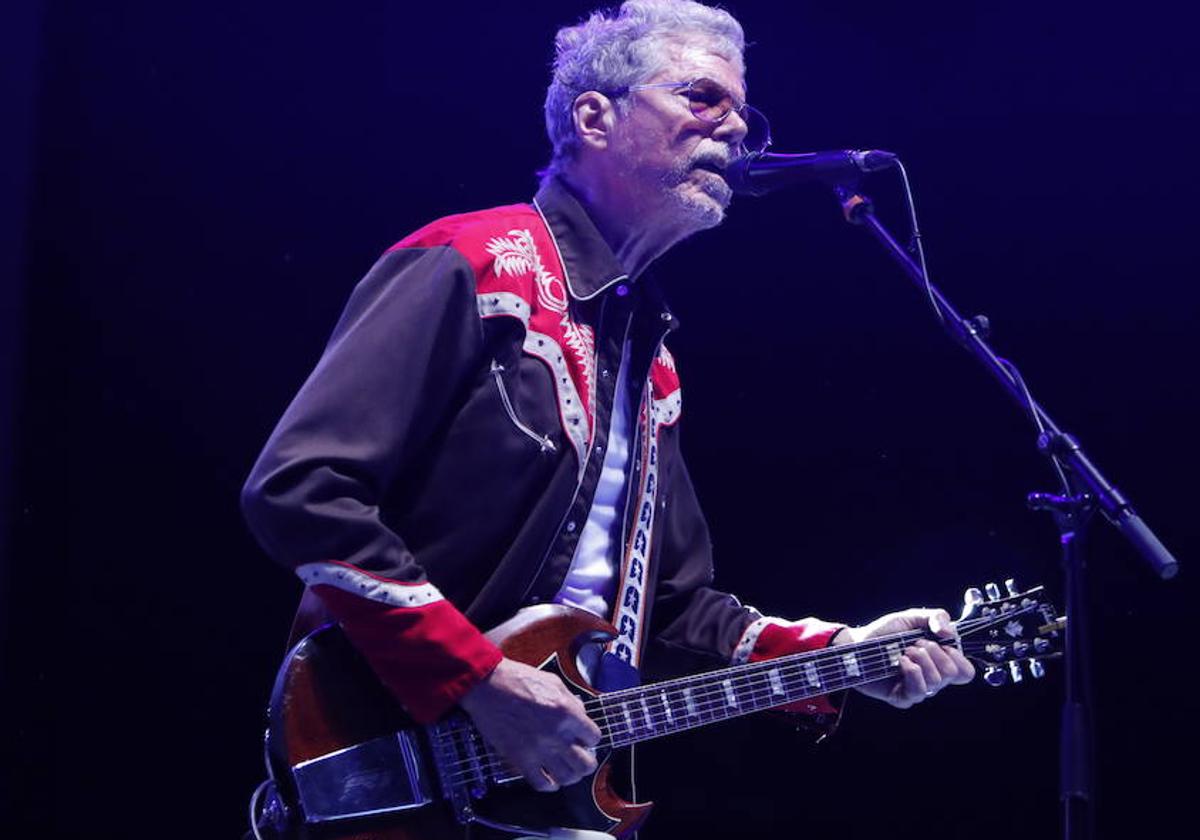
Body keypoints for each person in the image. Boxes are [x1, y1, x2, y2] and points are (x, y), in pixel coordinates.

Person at [241, 0, 974, 806]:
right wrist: (473, 679)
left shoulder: (651, 363)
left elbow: (679, 612)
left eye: (743, 112)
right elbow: (302, 487)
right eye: (703, 98)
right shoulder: (477, 262)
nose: (735, 132)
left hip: (550, 803)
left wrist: (847, 651)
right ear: (595, 116)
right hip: (386, 767)